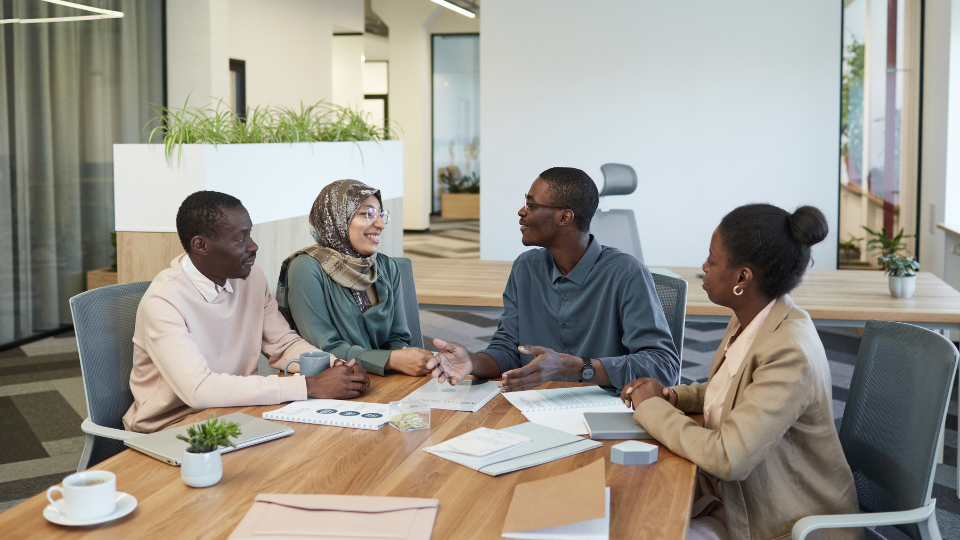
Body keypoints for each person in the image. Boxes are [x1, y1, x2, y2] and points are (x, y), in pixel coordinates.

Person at [622, 204, 860, 540]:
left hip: (783, 521)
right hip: (734, 500)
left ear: (742, 278)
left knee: (644, 526)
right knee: (630, 508)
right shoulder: (752, 317)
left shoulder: (789, 350)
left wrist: (651, 407)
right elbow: (732, 389)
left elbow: (727, 457)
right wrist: (673, 396)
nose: (703, 266)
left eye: (712, 260)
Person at [123, 191, 370, 433]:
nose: (253, 246)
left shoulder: (251, 278)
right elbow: (198, 389)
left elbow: (282, 344)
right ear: (201, 245)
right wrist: (310, 386)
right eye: (240, 239)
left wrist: (336, 366)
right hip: (169, 428)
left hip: (233, 414)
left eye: (249, 234)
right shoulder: (163, 301)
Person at [428, 167, 680, 392]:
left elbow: (663, 366)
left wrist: (577, 368)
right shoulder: (526, 268)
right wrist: (471, 361)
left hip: (607, 410)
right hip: (534, 407)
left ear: (564, 217)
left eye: (531, 205)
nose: (521, 212)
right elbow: (508, 351)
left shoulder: (627, 273)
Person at [276, 179, 434, 377]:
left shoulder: (385, 266)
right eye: (367, 213)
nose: (379, 224)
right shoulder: (306, 267)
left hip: (387, 379)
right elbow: (323, 349)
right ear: (336, 218)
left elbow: (398, 337)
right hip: (331, 384)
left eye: (380, 214)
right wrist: (389, 360)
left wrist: (401, 358)